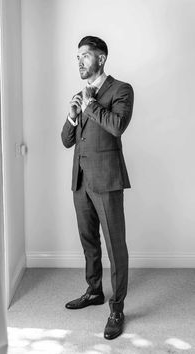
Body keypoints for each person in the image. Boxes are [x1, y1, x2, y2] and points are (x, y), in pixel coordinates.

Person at [61, 36, 134, 340]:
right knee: (89, 241)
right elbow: (67, 140)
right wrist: (72, 115)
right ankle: (94, 291)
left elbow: (117, 127)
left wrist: (90, 105)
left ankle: (116, 308)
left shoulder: (121, 90)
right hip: (81, 180)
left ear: (101, 59)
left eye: (85, 56)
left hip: (106, 179)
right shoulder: (80, 94)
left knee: (115, 246)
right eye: (77, 56)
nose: (79, 61)